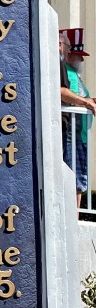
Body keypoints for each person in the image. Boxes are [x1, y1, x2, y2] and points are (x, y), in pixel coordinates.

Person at [60, 28, 96, 204]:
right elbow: (70, 96)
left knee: (78, 181)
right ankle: (73, 220)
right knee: (75, 181)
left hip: (78, 136)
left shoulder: (75, 75)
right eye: (78, 55)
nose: (82, 59)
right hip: (71, 135)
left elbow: (80, 97)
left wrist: (90, 100)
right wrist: (86, 102)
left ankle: (75, 218)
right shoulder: (67, 72)